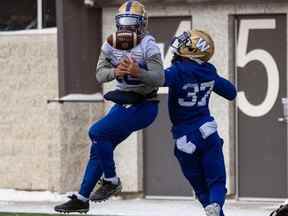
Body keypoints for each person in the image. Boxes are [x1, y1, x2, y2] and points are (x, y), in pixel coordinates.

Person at [54, 0, 164, 213]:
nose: (126, 28)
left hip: (143, 105)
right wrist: (116, 72)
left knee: (96, 132)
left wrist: (137, 72)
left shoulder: (148, 45)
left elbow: (159, 78)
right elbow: (100, 74)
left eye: (132, 23)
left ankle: (112, 180)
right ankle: (82, 198)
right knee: (99, 147)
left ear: (142, 24)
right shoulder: (110, 44)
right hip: (124, 103)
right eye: (123, 22)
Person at [163, 30, 237, 216]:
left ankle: (210, 208)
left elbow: (158, 79)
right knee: (217, 181)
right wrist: (212, 80)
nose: (176, 53)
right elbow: (231, 92)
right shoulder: (208, 71)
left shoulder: (177, 71)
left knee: (201, 188)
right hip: (207, 132)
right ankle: (216, 206)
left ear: (192, 50)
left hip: (184, 139)